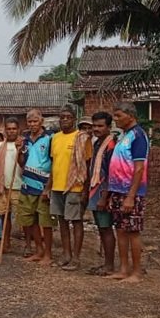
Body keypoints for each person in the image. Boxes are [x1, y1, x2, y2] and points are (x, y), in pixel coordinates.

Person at [107, 102, 149, 283]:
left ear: (131, 116)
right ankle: (123, 269)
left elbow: (139, 168)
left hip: (131, 192)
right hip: (117, 190)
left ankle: (137, 272)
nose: (115, 119)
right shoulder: (124, 135)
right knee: (120, 230)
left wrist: (131, 196)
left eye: (118, 116)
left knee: (133, 231)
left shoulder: (138, 136)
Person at [50, 106, 93, 270]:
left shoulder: (82, 138)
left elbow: (87, 165)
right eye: (62, 117)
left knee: (76, 221)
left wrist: (85, 190)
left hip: (75, 186)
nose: (65, 120)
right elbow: (54, 163)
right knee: (61, 221)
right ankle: (66, 254)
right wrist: (49, 187)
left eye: (68, 117)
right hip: (57, 186)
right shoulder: (55, 138)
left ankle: (76, 258)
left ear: (74, 119)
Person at [17, 109, 54, 263]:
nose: (32, 124)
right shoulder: (25, 139)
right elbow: (21, 163)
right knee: (30, 220)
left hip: (43, 185)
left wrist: (48, 188)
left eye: (35, 121)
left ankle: (48, 254)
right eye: (30, 121)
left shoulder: (50, 138)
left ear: (41, 121)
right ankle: (38, 250)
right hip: (27, 184)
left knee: (45, 221)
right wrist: (19, 150)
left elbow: (54, 163)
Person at [85, 111, 117, 275]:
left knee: (106, 228)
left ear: (108, 127)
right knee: (101, 227)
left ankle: (109, 266)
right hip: (95, 190)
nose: (96, 129)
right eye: (94, 126)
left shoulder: (111, 145)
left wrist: (104, 197)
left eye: (100, 126)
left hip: (104, 192)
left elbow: (112, 173)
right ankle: (106, 263)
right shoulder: (97, 143)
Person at [0, 117, 24, 254]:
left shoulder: (23, 145)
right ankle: (5, 244)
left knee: (23, 217)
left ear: (18, 130)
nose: (11, 131)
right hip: (2, 186)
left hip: (19, 186)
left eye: (14, 129)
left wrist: (20, 150)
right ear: (5, 130)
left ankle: (28, 246)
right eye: (9, 129)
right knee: (4, 216)